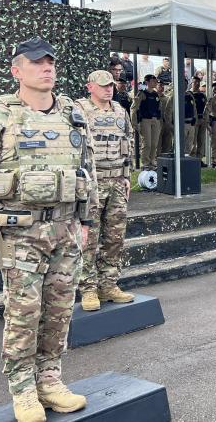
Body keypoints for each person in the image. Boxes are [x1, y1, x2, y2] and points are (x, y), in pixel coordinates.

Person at [0, 37, 97, 421]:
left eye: (50, 62)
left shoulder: (71, 112)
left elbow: (86, 171)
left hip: (65, 230)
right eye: (36, 63)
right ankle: (23, 390)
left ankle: (50, 380)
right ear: (17, 71)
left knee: (60, 309)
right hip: (20, 234)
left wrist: (86, 219)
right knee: (23, 312)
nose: (46, 68)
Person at [75, 70, 134, 313]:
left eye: (111, 85)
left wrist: (127, 175)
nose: (108, 89)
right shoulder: (79, 110)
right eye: (103, 86)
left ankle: (108, 284)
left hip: (117, 181)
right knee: (89, 237)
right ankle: (88, 287)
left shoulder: (120, 110)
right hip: (93, 182)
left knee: (115, 237)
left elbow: (128, 141)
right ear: (90, 87)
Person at [131, 74, 162, 170]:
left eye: (155, 81)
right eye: (153, 81)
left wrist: (159, 121)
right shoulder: (142, 94)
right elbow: (134, 108)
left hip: (155, 120)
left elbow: (159, 108)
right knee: (147, 143)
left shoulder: (156, 94)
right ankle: (145, 163)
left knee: (154, 143)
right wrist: (135, 123)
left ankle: (152, 161)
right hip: (145, 120)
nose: (155, 82)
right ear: (147, 82)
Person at [189, 77, 207, 160]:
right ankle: (192, 157)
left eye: (198, 83)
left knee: (201, 140)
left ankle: (199, 159)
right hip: (193, 120)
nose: (197, 84)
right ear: (191, 83)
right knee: (193, 140)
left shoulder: (202, 95)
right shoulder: (189, 94)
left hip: (202, 119)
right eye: (195, 82)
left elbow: (206, 108)